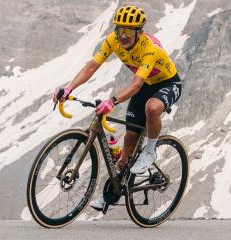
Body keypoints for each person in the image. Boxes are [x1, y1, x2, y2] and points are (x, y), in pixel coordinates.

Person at [52, 5, 182, 211]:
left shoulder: (150, 48)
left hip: (166, 84)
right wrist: (68, 88)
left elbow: (136, 85)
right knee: (129, 139)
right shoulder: (113, 40)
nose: (122, 36)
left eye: (128, 32)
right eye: (119, 30)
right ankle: (112, 192)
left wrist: (112, 101)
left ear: (139, 32)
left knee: (151, 107)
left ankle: (150, 151)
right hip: (144, 85)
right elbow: (91, 67)